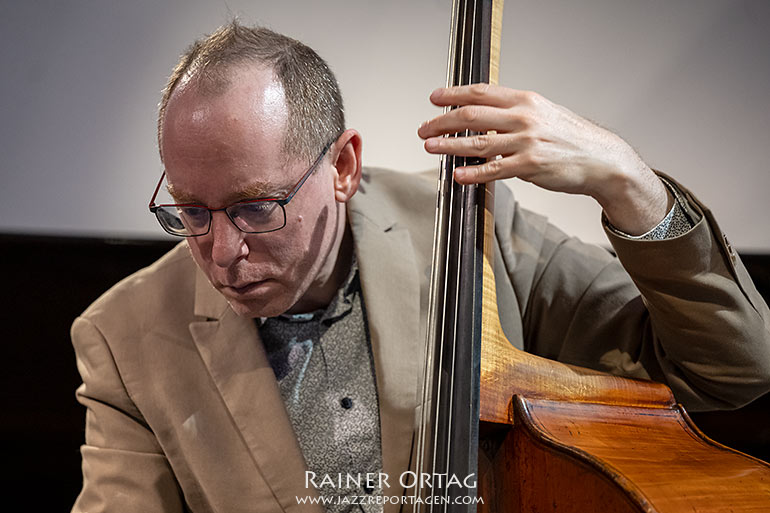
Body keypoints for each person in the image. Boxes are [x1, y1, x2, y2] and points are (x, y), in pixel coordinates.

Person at [71, 21, 770, 513]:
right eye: (191, 211)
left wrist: (626, 179)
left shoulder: (472, 235)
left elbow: (732, 370)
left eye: (256, 209)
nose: (221, 252)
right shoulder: (125, 337)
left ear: (342, 165)